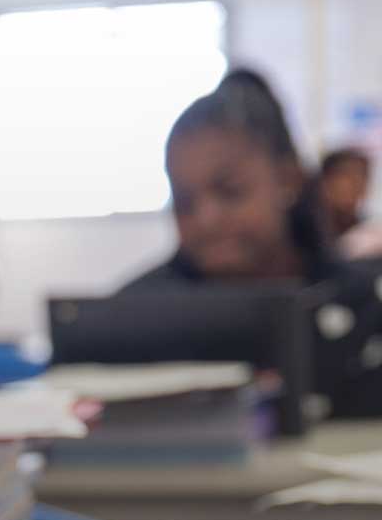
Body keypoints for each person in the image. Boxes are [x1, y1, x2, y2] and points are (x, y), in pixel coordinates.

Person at [122, 70, 382, 416]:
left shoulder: (366, 304)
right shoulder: (134, 319)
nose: (206, 219)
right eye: (184, 201)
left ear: (287, 179)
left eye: (230, 192)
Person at [318, 148, 382, 259]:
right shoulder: (308, 226)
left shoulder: (367, 228)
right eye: (348, 177)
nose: (358, 184)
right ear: (326, 181)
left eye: (363, 176)